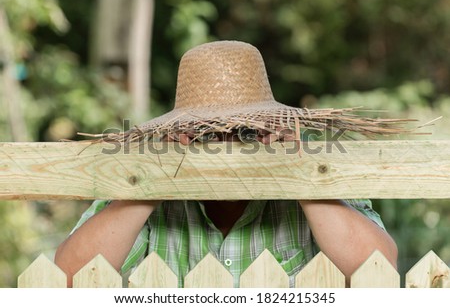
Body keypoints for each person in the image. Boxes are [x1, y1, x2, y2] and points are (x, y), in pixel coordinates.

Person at [55, 41, 398, 287]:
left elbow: (378, 268)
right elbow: (70, 276)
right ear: (180, 132)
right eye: (206, 132)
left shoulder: (312, 169)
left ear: (270, 126)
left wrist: (302, 176)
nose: (227, 144)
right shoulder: (149, 172)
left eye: (245, 129)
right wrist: (152, 181)